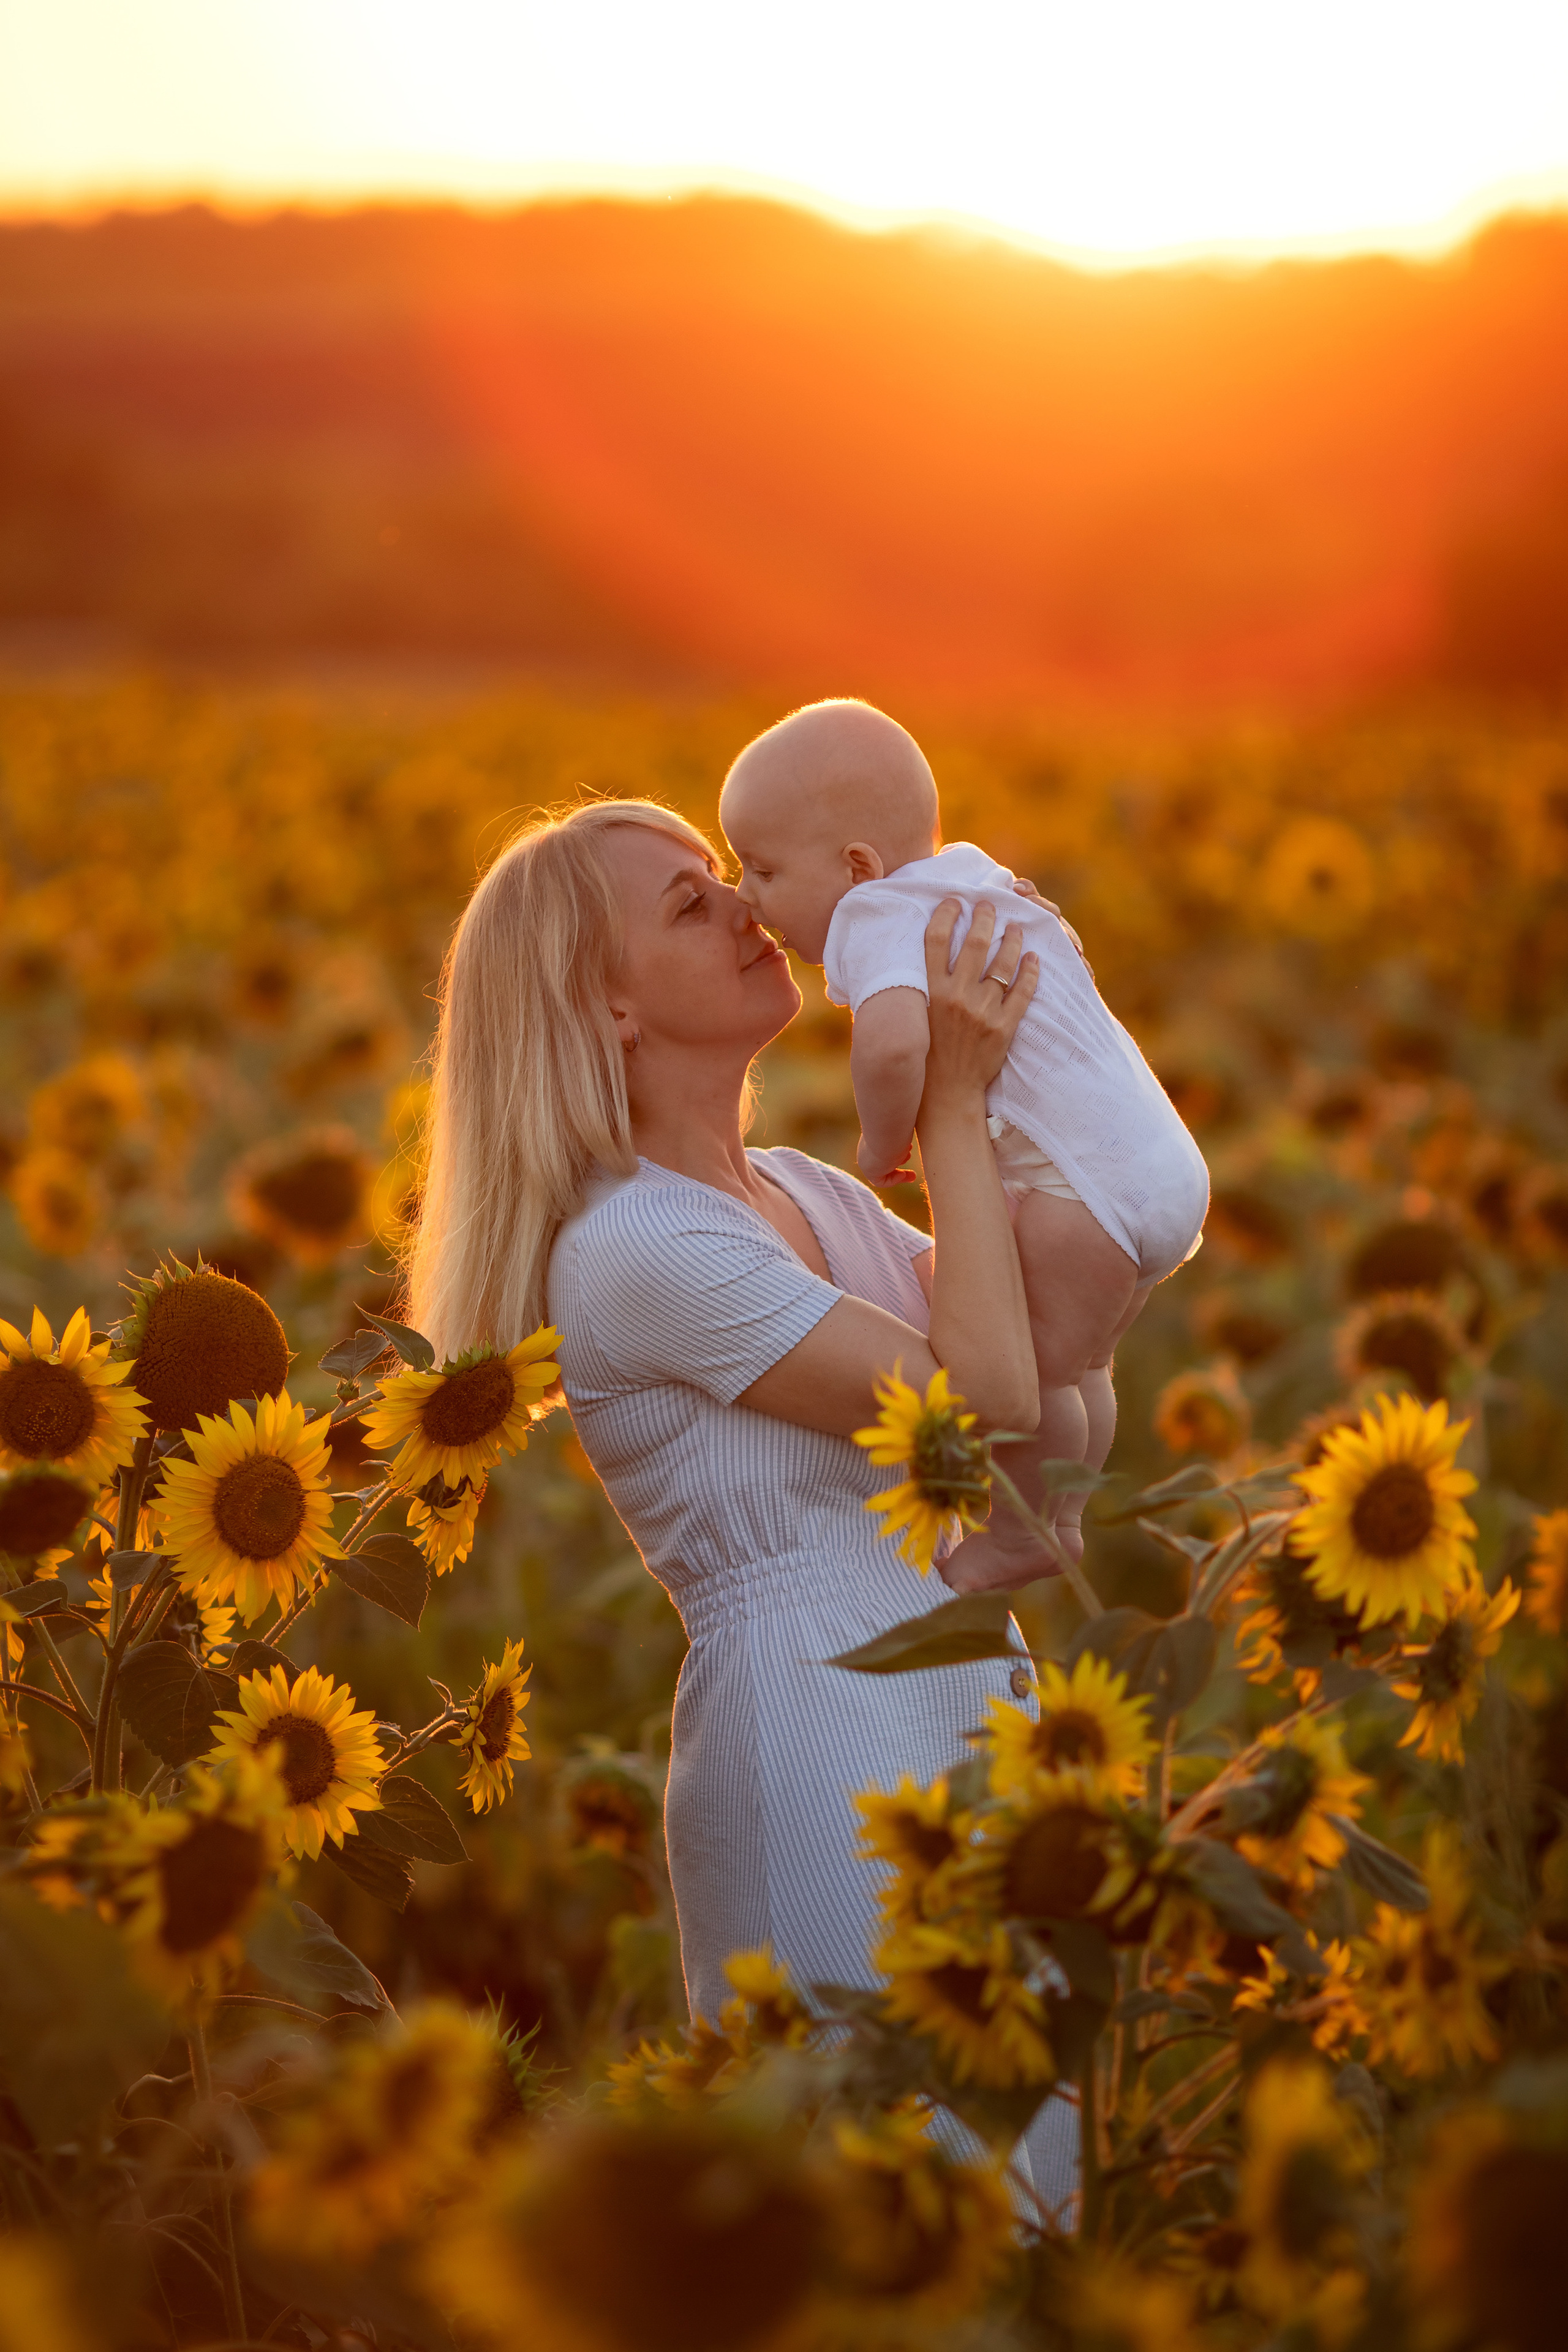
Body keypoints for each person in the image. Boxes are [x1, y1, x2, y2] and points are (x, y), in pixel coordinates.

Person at [404, 794, 1077, 2206]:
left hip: (961, 1673)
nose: (740, 908)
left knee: (1046, 2180)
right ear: (609, 1006)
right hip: (819, 1727)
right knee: (892, 2200)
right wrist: (947, 1101)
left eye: (724, 878)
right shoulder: (633, 1250)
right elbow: (985, 1397)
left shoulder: (802, 1194)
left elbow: (1051, 1319)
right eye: (685, 902)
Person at [720, 699, 1210, 1585]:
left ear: (857, 867)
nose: (745, 898)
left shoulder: (874, 917)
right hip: (1156, 1167)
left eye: (760, 869)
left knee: (1031, 1367)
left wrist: (881, 1142)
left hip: (1083, 1193)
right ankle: (1062, 1514)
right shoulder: (977, 877)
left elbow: (898, 1044)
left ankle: (1027, 1534)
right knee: (1081, 1362)